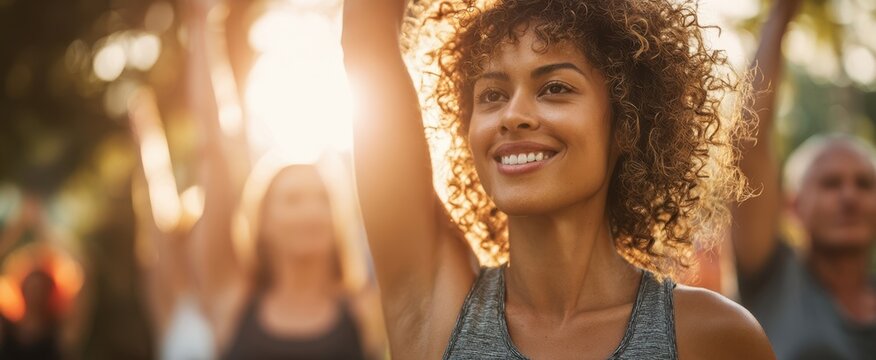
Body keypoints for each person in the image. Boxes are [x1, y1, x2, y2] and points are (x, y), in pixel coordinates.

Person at [342, 0, 774, 358]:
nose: (512, 116)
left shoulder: (711, 335)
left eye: (554, 88)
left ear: (626, 124)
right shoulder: (435, 306)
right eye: (492, 95)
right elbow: (367, 41)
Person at [184, 2, 386, 359]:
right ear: (263, 222)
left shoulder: (365, 310)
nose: (311, 210)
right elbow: (215, 149)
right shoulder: (232, 300)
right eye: (292, 200)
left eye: (321, 198)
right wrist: (202, 26)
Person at [732, 0, 876, 358]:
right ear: (793, 204)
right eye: (830, 183)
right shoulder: (773, 278)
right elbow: (747, 143)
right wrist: (781, 14)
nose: (850, 197)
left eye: (864, 184)